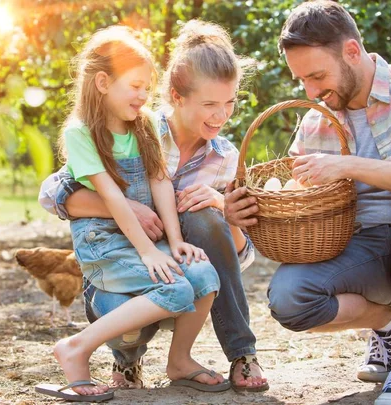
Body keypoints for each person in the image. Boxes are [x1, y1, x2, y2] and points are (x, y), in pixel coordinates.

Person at [224, 1, 391, 404]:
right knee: (289, 298)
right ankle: (388, 323)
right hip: (367, 254)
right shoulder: (315, 120)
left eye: (317, 75)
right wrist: (244, 216)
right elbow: (297, 202)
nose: (310, 91)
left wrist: (348, 166)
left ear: (353, 52)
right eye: (301, 79)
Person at [39, 20, 269, 392]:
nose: (221, 115)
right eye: (209, 104)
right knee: (171, 286)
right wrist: (132, 209)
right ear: (177, 96)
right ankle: (121, 358)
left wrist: (223, 213)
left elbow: (236, 258)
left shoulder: (220, 157)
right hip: (114, 248)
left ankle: (220, 355)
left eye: (229, 103)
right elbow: (53, 193)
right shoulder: (124, 122)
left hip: (158, 252)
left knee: (204, 265)